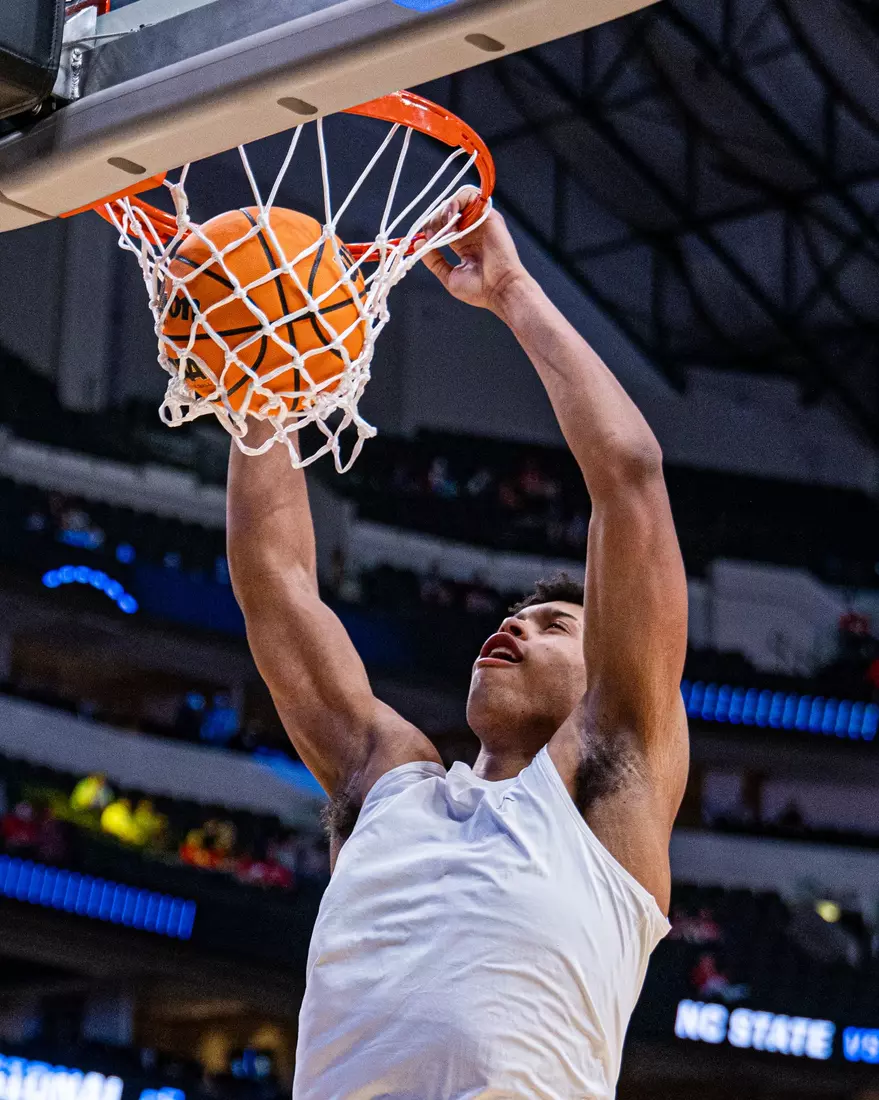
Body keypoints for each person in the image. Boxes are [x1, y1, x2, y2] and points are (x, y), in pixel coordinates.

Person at [227, 190, 689, 1099]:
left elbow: (627, 479)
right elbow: (275, 584)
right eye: (518, 616)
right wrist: (253, 382)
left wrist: (512, 288)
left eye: (556, 625)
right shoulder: (387, 778)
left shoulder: (608, 781)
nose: (515, 623)